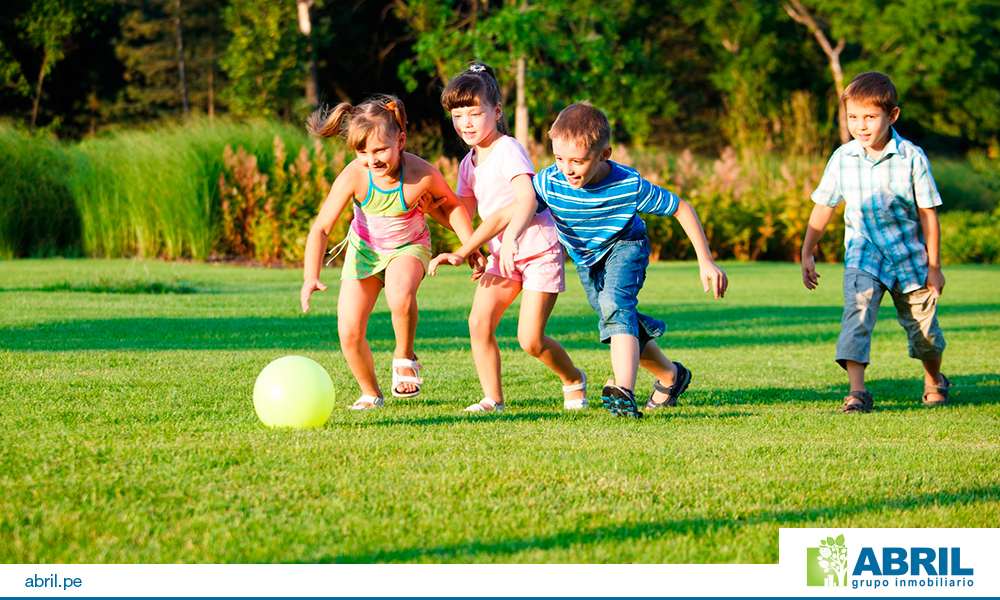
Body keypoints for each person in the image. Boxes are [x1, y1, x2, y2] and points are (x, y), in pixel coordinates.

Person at [437, 102, 728, 418]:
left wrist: (706, 261)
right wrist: (466, 250)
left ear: (605, 154)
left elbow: (681, 208)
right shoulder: (552, 181)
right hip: (587, 259)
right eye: (560, 158)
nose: (567, 168)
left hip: (625, 246)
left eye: (577, 161)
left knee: (616, 306)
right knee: (614, 319)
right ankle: (671, 376)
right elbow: (505, 214)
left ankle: (623, 392)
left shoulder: (628, 185)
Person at [301, 95, 478, 410]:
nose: (373, 160)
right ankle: (370, 392)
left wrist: (471, 247)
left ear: (401, 140)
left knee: (400, 295)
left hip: (409, 247)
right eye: (363, 152)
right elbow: (321, 228)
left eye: (380, 149)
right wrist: (310, 276)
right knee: (349, 331)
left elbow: (452, 209)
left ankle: (404, 354)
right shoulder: (356, 175)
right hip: (364, 252)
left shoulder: (420, 173)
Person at [428, 63, 587, 413]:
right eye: (458, 115)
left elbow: (526, 198)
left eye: (474, 113)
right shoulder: (468, 163)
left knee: (530, 340)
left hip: (537, 248)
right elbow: (462, 216)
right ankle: (492, 399)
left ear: (496, 112)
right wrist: (428, 209)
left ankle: (573, 378)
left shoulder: (508, 149)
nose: (466, 122)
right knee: (478, 322)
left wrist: (511, 236)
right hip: (503, 254)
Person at [801, 71, 948, 413]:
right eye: (853, 117)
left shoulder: (911, 157)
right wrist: (808, 250)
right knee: (858, 314)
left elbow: (928, 214)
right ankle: (857, 392)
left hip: (909, 258)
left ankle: (934, 379)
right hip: (863, 255)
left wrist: (934, 266)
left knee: (924, 333)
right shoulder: (843, 158)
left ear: (892, 115)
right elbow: (824, 205)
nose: (861, 126)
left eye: (870, 117)